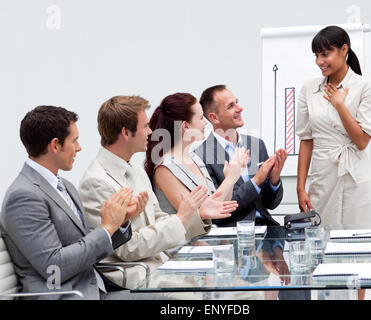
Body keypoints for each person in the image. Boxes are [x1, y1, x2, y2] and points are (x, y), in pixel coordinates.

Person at [78, 95, 230, 290]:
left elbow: (158, 219)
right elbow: (128, 248)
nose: (150, 132)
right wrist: (182, 218)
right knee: (212, 294)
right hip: (137, 276)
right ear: (125, 132)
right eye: (145, 127)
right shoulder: (96, 182)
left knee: (226, 286)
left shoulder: (135, 169)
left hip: (160, 266)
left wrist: (194, 215)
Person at [0, 105, 151, 300]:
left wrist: (119, 223)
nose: (79, 147)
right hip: (70, 295)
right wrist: (106, 227)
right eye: (75, 140)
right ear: (55, 145)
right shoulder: (23, 196)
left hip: (94, 290)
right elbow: (54, 267)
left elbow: (85, 242)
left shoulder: (66, 186)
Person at [296, 25, 371, 227]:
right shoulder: (309, 88)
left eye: (325, 54)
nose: (320, 62)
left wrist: (340, 105)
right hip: (322, 177)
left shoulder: (366, 86)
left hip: (356, 178)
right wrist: (300, 188)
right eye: (316, 55)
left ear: (344, 50)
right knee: (322, 242)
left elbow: (361, 141)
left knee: (360, 243)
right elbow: (306, 140)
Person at [195, 85, 287, 227]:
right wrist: (256, 181)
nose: (240, 108)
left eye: (237, 102)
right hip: (233, 234)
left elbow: (271, 204)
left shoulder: (256, 144)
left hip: (267, 228)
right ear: (214, 117)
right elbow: (218, 214)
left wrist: (274, 180)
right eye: (231, 106)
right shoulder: (201, 156)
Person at [145, 92, 246, 217]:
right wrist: (230, 179)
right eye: (201, 118)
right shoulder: (164, 169)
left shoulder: (194, 158)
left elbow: (222, 206)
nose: (206, 123)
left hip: (206, 235)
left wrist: (230, 178)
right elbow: (194, 216)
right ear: (185, 126)